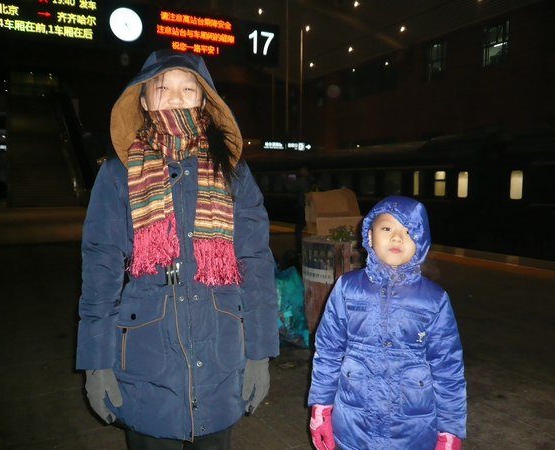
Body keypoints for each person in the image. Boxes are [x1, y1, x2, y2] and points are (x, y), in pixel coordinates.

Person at [76, 50, 279, 449]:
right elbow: (100, 266)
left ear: (203, 100)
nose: (174, 97)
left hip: (219, 348)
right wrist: (95, 362)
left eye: (188, 89)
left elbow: (255, 262)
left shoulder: (233, 171)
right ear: (144, 98)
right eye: (162, 87)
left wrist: (260, 352)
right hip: (146, 352)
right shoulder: (117, 172)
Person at [308, 195, 466, 450]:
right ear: (369, 237)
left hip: (413, 431)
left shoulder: (434, 300)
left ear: (421, 244)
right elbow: (328, 351)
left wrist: (450, 429)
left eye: (408, 231)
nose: (396, 237)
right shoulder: (347, 288)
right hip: (352, 424)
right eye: (387, 228)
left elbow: (448, 369)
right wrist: (321, 408)